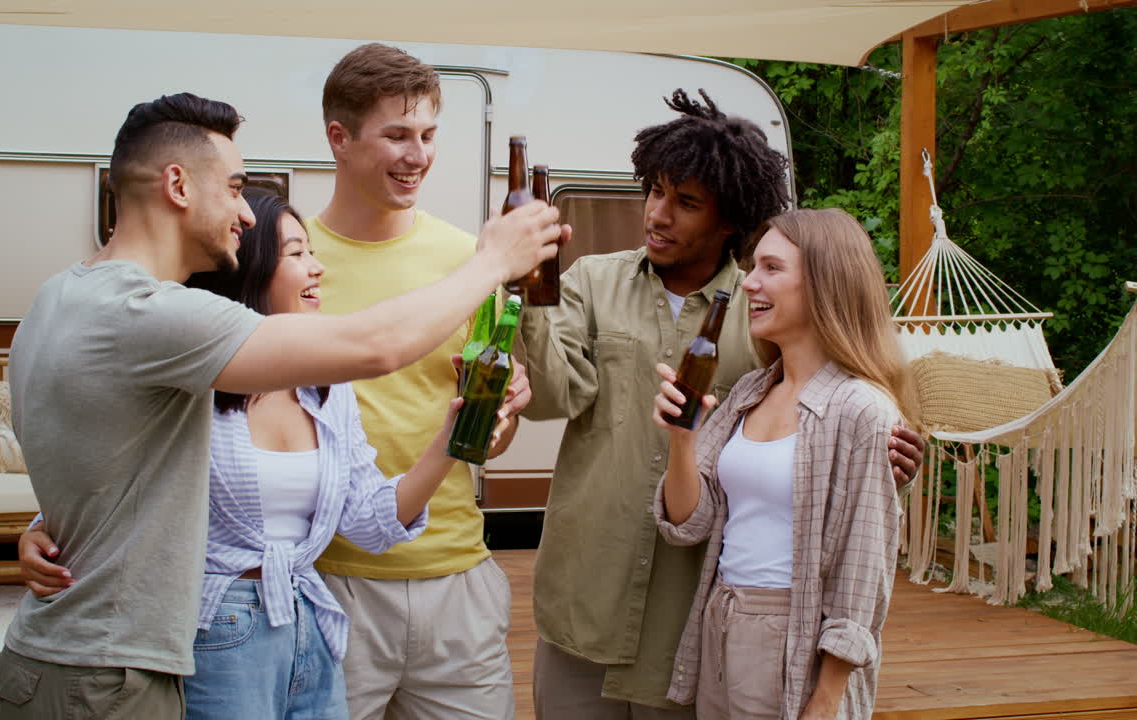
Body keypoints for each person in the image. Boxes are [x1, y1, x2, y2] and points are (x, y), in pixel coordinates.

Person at [0, 92, 563, 719]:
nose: (243, 212)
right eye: (235, 188)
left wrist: (58, 525)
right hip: (107, 669)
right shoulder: (147, 314)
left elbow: (97, 444)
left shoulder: (62, 296)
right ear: (178, 186)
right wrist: (494, 261)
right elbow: (375, 345)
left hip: (112, 652)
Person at [516, 90, 925, 718]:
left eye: (686, 203)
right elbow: (550, 398)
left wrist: (886, 453)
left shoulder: (764, 314)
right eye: (655, 192)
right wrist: (534, 293)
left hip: (689, 622)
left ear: (730, 218)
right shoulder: (592, 283)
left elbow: (827, 405)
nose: (658, 214)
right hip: (585, 595)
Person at [19, 188, 489, 718]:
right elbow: (117, 464)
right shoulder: (193, 377)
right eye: (296, 254)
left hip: (310, 622)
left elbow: (370, 522)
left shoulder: (326, 390)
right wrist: (46, 526)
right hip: (215, 628)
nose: (317, 268)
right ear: (253, 269)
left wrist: (451, 439)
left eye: (312, 252)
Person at [305, 43, 537, 720]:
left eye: (429, 135)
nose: (418, 155)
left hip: (456, 576)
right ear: (339, 138)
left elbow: (485, 441)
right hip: (329, 579)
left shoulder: (468, 258)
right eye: (398, 135)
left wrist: (504, 413)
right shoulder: (296, 261)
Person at [652, 207, 917, 719]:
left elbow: (864, 566)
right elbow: (689, 524)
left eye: (771, 268)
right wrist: (682, 440)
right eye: (753, 267)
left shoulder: (862, 409)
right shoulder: (751, 391)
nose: (749, 282)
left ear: (826, 284)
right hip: (721, 619)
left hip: (795, 636)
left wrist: (827, 698)